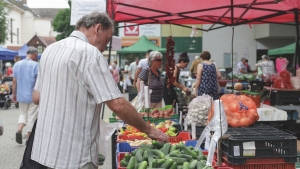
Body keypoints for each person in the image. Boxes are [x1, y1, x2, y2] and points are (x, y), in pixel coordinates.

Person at [30, 12, 168, 169]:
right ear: (97, 28)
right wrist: (149, 130)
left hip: (45, 150)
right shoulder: (90, 54)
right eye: (107, 40)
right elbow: (117, 105)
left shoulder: (50, 50)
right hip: (75, 156)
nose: (105, 48)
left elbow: (36, 97)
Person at [12, 46, 39, 144]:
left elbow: (14, 81)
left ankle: (19, 130)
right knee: (32, 116)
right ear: (35, 54)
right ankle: (29, 138)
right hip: (32, 95)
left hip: (21, 94)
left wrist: (13, 94)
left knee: (23, 114)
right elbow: (38, 80)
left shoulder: (17, 64)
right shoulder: (36, 65)